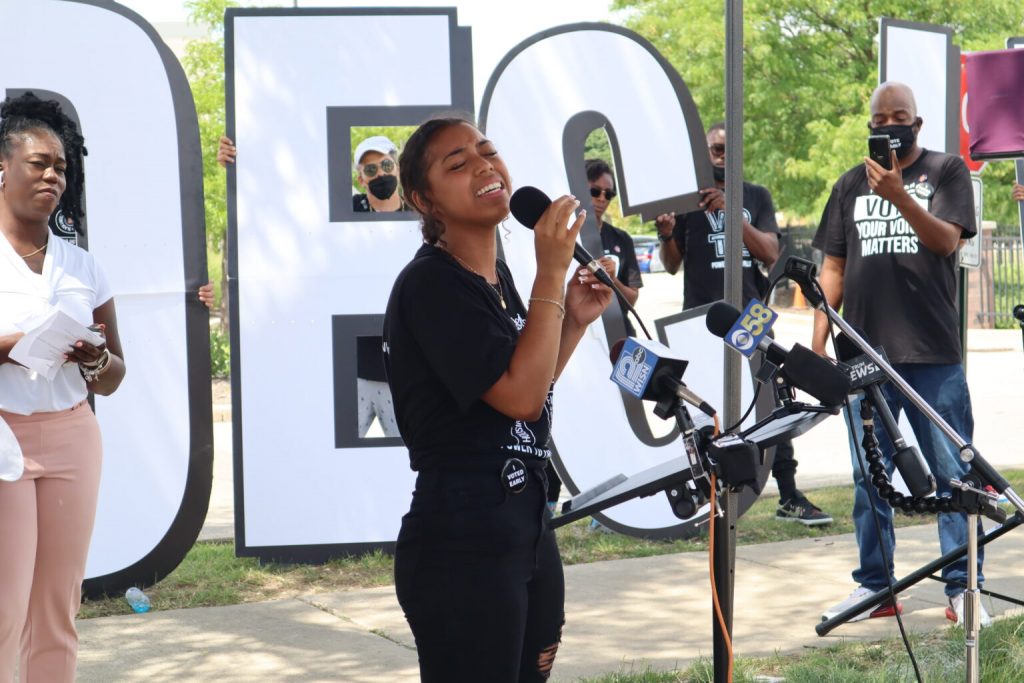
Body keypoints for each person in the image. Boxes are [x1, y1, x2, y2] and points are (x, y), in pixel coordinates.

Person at [383, 116, 612, 682]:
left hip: (526, 525)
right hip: (464, 539)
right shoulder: (431, 284)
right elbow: (519, 400)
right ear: (423, 199)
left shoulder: (499, 280)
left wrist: (573, 325)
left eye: (488, 152)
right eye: (457, 164)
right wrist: (553, 272)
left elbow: (523, 386)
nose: (485, 165)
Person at [812, 81, 987, 625]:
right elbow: (833, 270)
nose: (889, 124)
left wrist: (899, 196)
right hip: (864, 359)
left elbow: (945, 242)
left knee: (951, 474)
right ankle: (877, 587)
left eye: (900, 116)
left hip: (932, 354)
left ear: (918, 123)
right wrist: (817, 348)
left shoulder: (947, 171)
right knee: (871, 478)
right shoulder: (847, 186)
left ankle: (963, 586)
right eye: (880, 116)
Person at [0, 92, 126, 682]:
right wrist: (14, 342)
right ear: (2, 167)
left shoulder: (83, 265)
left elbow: (117, 375)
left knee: (57, 604)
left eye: (62, 167)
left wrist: (95, 357)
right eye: (39, 163)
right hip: (4, 437)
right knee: (5, 606)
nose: (53, 175)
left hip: (74, 435)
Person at [655, 122, 832, 526]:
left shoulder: (756, 195)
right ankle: (704, 496)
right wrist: (667, 236)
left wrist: (732, 214)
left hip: (749, 313)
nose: (720, 156)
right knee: (700, 406)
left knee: (768, 396)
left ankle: (788, 494)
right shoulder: (685, 199)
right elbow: (670, 265)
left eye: (726, 149)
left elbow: (771, 252)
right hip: (702, 316)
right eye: (714, 150)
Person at [218, 134, 399, 436]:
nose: (380, 173)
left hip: (401, 375)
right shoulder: (343, 210)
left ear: (397, 166)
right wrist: (241, 167)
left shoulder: (423, 214)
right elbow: (286, 202)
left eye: (385, 164)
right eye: (370, 170)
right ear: (360, 178)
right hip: (355, 374)